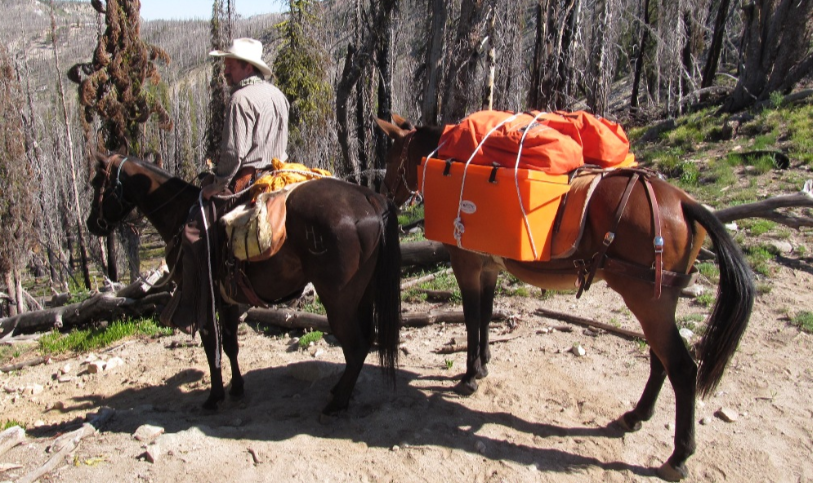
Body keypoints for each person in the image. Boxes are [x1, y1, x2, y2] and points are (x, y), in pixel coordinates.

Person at [161, 38, 289, 332]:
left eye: (230, 63)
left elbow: (234, 155)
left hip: (248, 180)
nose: (225, 69)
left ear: (247, 67)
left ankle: (199, 302)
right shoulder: (278, 96)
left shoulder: (240, 100)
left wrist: (215, 186)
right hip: (278, 174)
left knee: (194, 230)